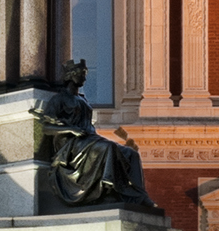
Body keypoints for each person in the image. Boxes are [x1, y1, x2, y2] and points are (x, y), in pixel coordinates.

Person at [34, 58, 154, 208]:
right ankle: (109, 188)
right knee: (108, 148)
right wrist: (71, 130)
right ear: (71, 75)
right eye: (81, 73)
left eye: (85, 73)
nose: (84, 77)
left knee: (131, 154)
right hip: (72, 145)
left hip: (89, 139)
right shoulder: (59, 99)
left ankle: (140, 195)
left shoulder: (83, 99)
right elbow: (47, 128)